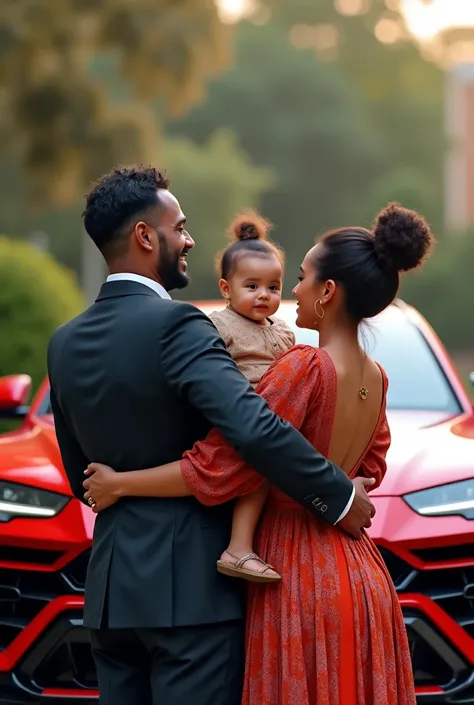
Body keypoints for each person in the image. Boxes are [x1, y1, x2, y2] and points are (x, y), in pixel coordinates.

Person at [47, 165, 376, 705]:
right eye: (180, 227)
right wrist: (338, 496)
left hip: (110, 594)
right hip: (192, 596)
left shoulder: (64, 342)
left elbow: (78, 470)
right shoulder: (179, 326)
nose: (190, 240)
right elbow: (254, 428)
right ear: (145, 236)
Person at [210, 209, 295, 582]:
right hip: (243, 422)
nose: (264, 295)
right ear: (226, 289)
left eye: (273, 287)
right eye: (252, 286)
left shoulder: (284, 332)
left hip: (278, 421)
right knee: (259, 473)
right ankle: (238, 548)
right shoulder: (217, 325)